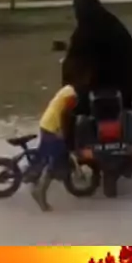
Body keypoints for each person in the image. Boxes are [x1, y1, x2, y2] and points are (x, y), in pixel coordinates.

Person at [63, 0, 132, 174]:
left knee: (71, 110)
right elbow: (130, 47)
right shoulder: (112, 23)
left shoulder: (82, 33)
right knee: (127, 112)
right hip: (120, 88)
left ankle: (68, 152)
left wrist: (73, 78)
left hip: (91, 90)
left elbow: (72, 61)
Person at [23, 73, 84, 210]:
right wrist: (61, 131)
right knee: (56, 159)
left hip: (46, 123)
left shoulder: (67, 89)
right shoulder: (71, 95)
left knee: (43, 155)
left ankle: (33, 175)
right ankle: (39, 191)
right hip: (52, 128)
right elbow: (64, 114)